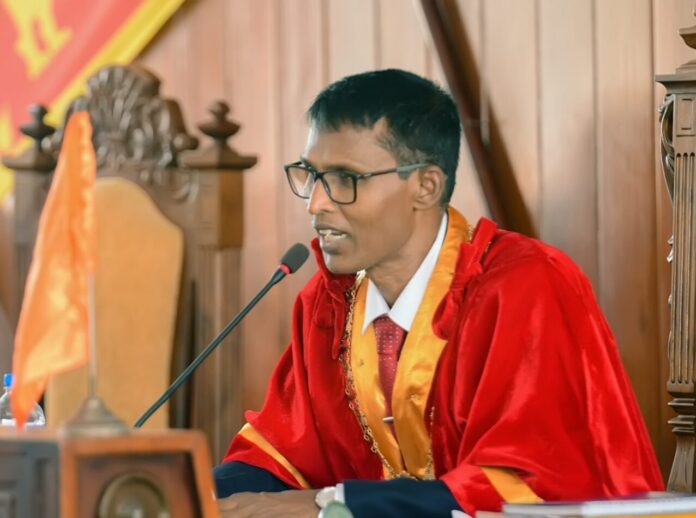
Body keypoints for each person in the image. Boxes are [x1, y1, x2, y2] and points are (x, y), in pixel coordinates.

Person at [214, 69, 663, 517]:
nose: (316, 203)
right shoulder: (329, 305)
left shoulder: (525, 289)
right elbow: (282, 456)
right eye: (311, 175)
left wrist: (330, 506)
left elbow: (530, 485)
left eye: (345, 179)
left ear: (425, 186)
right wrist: (191, 486)